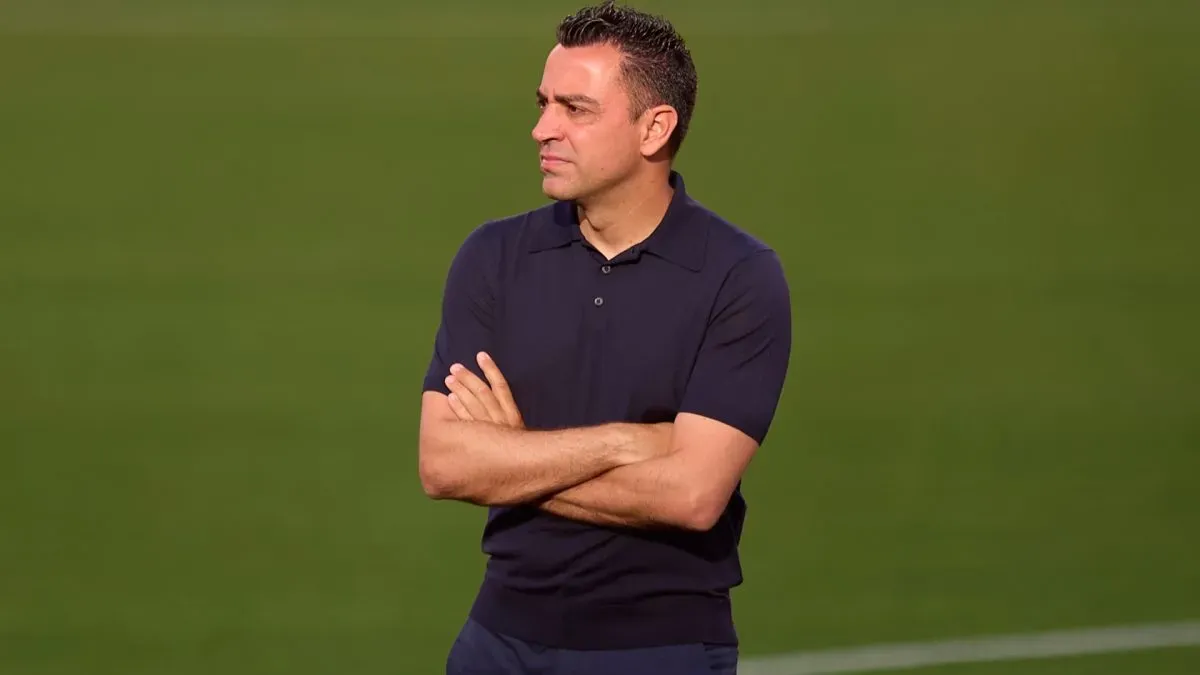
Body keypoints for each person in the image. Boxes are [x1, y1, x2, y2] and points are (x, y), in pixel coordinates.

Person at [418, 2, 792, 673]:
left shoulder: (739, 278)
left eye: (575, 108)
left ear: (654, 128)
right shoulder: (493, 257)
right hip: (497, 641)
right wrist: (629, 442)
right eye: (542, 103)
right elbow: (444, 464)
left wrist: (510, 458)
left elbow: (691, 495)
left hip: (660, 649)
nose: (541, 128)